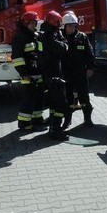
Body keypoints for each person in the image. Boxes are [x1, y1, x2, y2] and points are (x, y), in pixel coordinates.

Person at [61, 12, 96, 129]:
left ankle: (88, 119)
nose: (72, 28)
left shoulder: (82, 37)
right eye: (69, 26)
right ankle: (67, 120)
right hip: (66, 73)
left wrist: (90, 68)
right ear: (64, 26)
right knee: (67, 99)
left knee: (84, 97)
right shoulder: (60, 38)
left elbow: (89, 54)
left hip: (80, 72)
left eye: (74, 25)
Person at [12, 11, 45, 130]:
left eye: (35, 23)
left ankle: (37, 119)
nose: (34, 25)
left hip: (38, 73)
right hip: (28, 75)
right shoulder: (20, 37)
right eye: (31, 23)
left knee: (39, 98)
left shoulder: (36, 36)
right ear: (25, 23)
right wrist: (24, 73)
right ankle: (24, 123)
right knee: (28, 99)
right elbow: (17, 58)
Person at [40, 10, 69, 140]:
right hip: (53, 75)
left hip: (51, 73)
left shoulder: (51, 33)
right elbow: (62, 48)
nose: (60, 24)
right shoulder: (47, 36)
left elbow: (63, 45)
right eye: (58, 22)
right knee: (60, 103)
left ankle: (53, 125)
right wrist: (63, 44)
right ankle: (55, 130)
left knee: (53, 102)